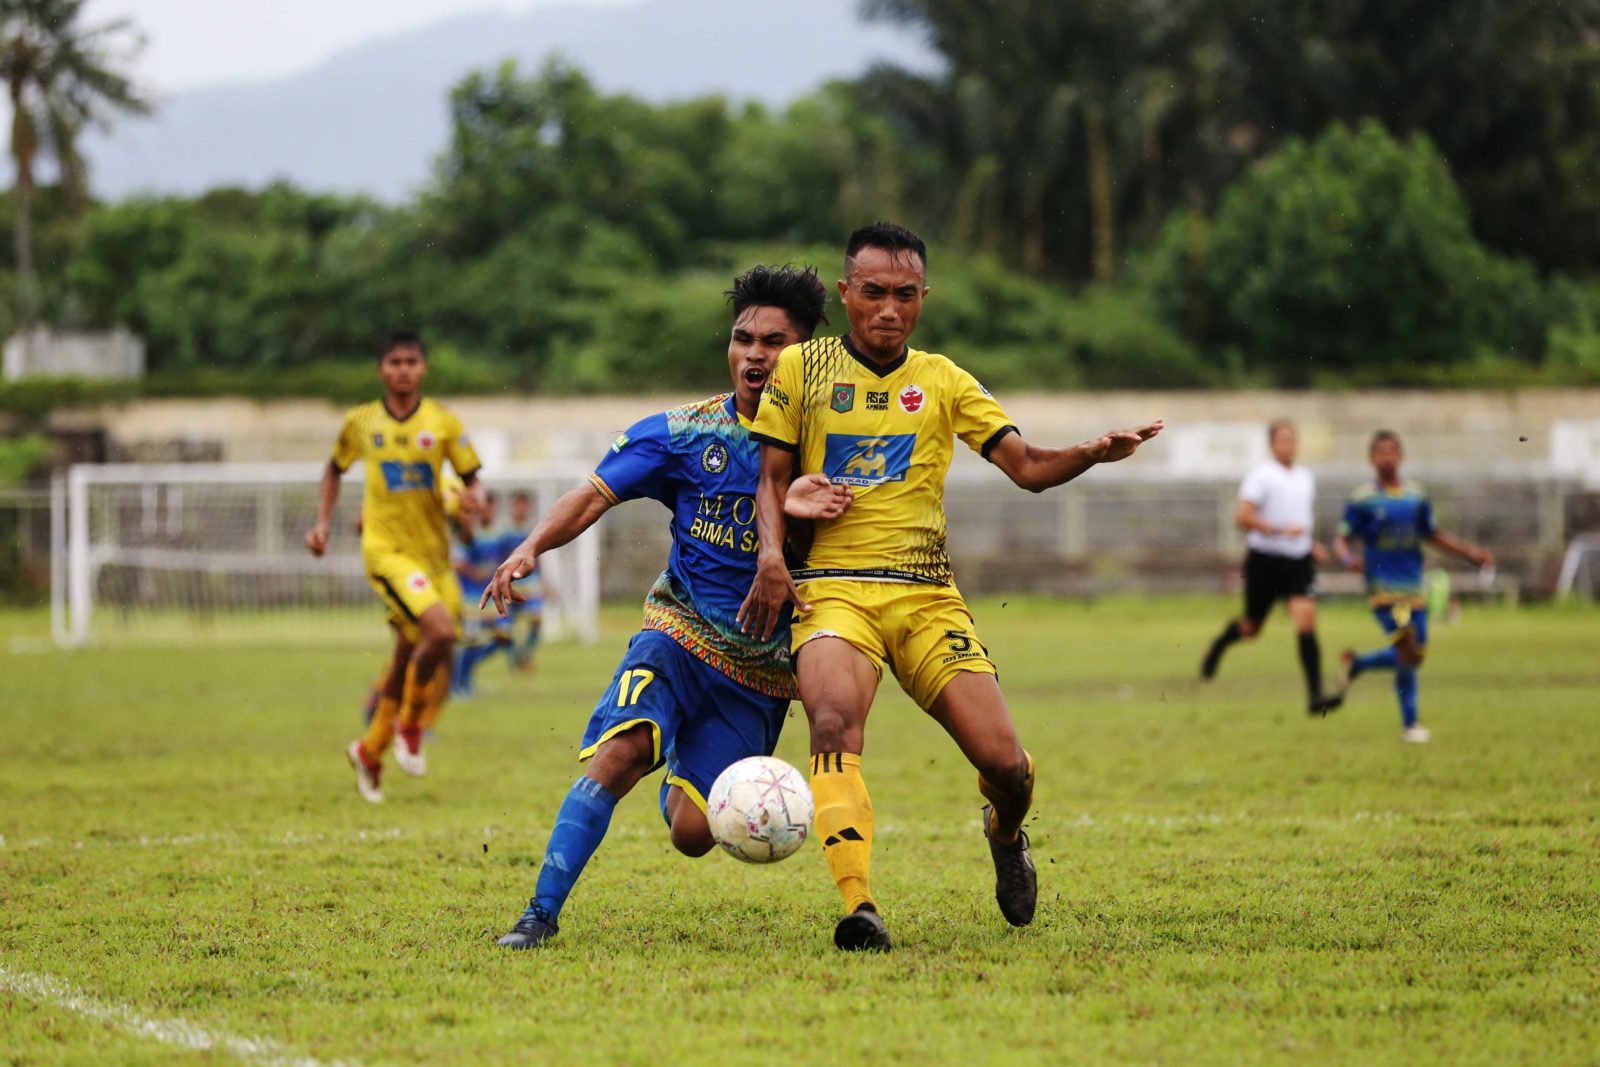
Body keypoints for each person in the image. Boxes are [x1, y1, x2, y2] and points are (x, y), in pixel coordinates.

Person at [739, 222, 1163, 952]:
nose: (888, 308)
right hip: (833, 591)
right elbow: (771, 478)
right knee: (833, 722)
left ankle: (1005, 830)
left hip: (925, 595)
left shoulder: (943, 380)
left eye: (905, 294)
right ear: (845, 294)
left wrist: (1092, 453)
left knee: (1006, 765)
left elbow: (1026, 467)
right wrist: (771, 555)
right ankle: (860, 905)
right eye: (872, 292)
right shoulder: (800, 370)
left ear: (923, 298)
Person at [486, 265, 844, 949]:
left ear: (804, 354)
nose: (755, 355)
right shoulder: (681, 433)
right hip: (675, 634)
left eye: (774, 341)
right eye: (743, 338)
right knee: (616, 757)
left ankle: (680, 753)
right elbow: (592, 494)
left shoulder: (830, 446)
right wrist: (531, 546)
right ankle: (538, 915)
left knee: (689, 833)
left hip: (760, 671)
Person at [306, 330, 483, 803]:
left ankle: (369, 751)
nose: (403, 369)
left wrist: (472, 504)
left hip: (435, 564)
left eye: (411, 361)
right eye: (394, 361)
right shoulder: (361, 421)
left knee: (413, 653)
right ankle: (409, 725)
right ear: (381, 369)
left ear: (423, 368)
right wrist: (322, 523)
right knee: (440, 633)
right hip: (387, 553)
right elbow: (333, 469)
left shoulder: (443, 424)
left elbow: (473, 487)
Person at [1332, 430, 1493, 743]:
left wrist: (1470, 554)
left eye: (1392, 451)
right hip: (1381, 588)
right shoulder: (1363, 498)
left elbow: (1433, 534)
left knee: (1413, 656)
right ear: (1371, 458)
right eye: (1380, 451)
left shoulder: (1416, 496)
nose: (1387, 457)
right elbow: (1341, 537)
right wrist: (1347, 558)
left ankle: (1359, 664)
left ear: (1401, 457)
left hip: (1413, 588)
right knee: (1407, 648)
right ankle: (1411, 724)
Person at [1199, 420, 1342, 715]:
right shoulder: (1261, 477)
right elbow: (1242, 517)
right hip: (1265, 561)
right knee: (1251, 629)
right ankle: (1220, 643)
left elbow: (1298, 521)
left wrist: (1310, 544)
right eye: (1282, 440)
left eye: (1292, 439)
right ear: (1272, 445)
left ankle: (1315, 695)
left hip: (1298, 562)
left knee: (1306, 622)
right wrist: (1277, 531)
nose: (1288, 445)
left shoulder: (1305, 477)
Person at [451, 491, 514, 696]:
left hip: (492, 597)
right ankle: (458, 683)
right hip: (471, 599)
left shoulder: (500, 535)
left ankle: (466, 672)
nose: (487, 511)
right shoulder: (470, 534)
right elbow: (457, 562)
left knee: (504, 638)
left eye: (491, 507)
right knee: (471, 642)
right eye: (484, 507)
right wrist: (473, 572)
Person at [501, 489, 544, 672]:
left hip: (531, 583)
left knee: (535, 620)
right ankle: (515, 659)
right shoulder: (505, 532)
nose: (521, 508)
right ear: (513, 506)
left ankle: (524, 655)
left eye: (524, 504)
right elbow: (500, 557)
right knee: (506, 627)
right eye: (518, 504)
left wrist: (544, 581)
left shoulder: (534, 529)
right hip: (510, 582)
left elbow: (538, 556)